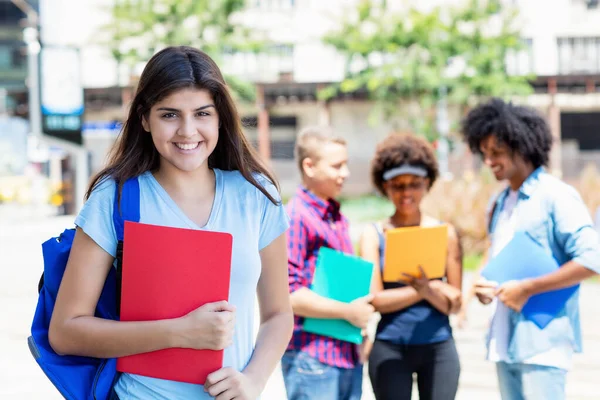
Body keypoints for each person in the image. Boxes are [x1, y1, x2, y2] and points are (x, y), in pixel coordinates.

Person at [48, 46, 293, 400]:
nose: (187, 130)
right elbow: (66, 332)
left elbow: (278, 313)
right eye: (169, 115)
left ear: (220, 118)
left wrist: (253, 379)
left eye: (202, 113)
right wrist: (180, 332)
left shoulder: (256, 195)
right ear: (145, 119)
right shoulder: (116, 198)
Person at [461, 98, 600, 400]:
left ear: (522, 146)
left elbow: (592, 259)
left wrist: (526, 288)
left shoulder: (556, 196)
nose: (489, 161)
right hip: (503, 341)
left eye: (496, 152)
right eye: (484, 153)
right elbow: (495, 257)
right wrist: (485, 288)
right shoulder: (498, 203)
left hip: (543, 343)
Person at [360, 133, 463, 400]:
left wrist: (428, 290)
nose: (406, 193)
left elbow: (455, 303)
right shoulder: (373, 234)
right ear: (385, 187)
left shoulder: (445, 233)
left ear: (426, 183)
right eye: (398, 186)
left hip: (439, 348)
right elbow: (376, 300)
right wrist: (428, 288)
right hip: (390, 348)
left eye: (414, 184)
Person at [282, 126, 374, 400]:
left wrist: (360, 329)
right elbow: (289, 295)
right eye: (337, 165)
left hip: (345, 353)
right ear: (309, 166)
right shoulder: (297, 217)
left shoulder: (336, 216)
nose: (345, 173)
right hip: (311, 358)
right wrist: (349, 312)